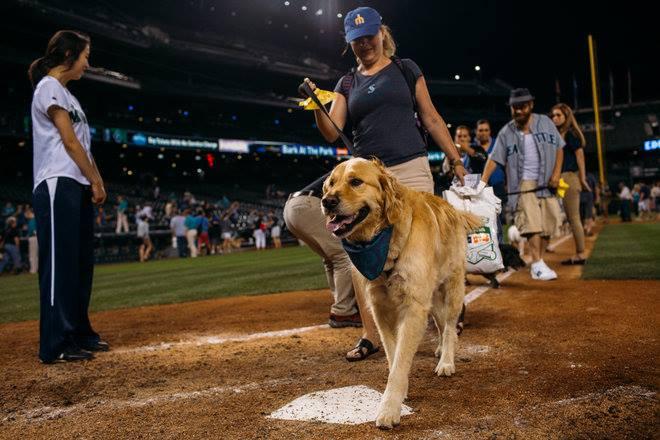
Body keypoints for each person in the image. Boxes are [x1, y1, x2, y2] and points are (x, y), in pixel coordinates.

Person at [303, 6, 467, 360]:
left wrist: (454, 158)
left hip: (411, 169)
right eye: (356, 40)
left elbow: (432, 118)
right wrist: (317, 105)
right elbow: (332, 131)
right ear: (350, 44)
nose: (364, 44)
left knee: (424, 253)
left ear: (382, 34)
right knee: (363, 257)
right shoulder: (346, 83)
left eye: (369, 36)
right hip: (367, 183)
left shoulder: (406, 69)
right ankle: (371, 335)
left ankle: (444, 326)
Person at [29, 30, 109, 363]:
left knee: (79, 265)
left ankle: (78, 331)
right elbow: (69, 142)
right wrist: (96, 181)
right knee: (59, 265)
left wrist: (96, 180)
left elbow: (83, 146)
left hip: (76, 182)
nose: (87, 63)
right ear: (68, 56)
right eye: (85, 55)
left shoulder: (68, 95)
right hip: (55, 182)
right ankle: (55, 342)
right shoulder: (48, 87)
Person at [480, 88, 564, 281]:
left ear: (531, 105)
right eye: (514, 107)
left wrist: (557, 174)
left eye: (522, 106)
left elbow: (560, 148)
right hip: (523, 183)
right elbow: (494, 159)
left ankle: (539, 262)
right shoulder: (506, 132)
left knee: (547, 225)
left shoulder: (545, 122)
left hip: (547, 181)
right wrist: (482, 183)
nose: (518, 111)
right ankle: (536, 262)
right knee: (531, 223)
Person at [284, 176, 362, 331]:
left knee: (330, 257)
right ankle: (343, 311)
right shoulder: (356, 171)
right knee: (343, 255)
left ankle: (342, 303)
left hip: (293, 207)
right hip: (309, 204)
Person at [551, 103, 591, 265]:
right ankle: (579, 253)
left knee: (574, 218)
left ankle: (580, 254)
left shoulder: (571, 134)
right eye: (553, 115)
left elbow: (580, 156)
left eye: (558, 115)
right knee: (569, 217)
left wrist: (582, 178)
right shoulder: (560, 134)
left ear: (567, 117)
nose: (555, 118)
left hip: (569, 178)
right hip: (562, 179)